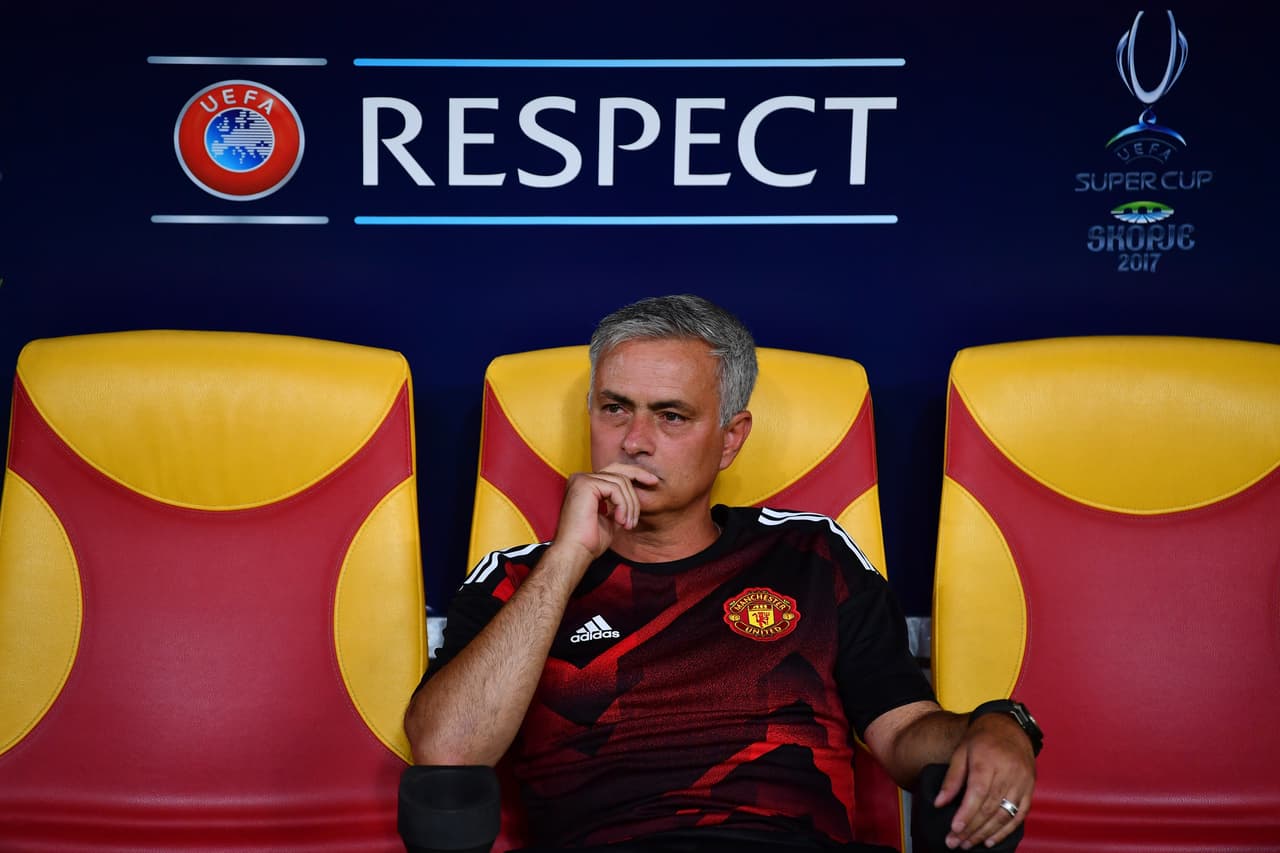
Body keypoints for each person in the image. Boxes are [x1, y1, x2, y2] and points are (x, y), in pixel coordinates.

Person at [404, 295, 1038, 852]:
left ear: (731, 439)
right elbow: (447, 752)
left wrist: (996, 725)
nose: (634, 441)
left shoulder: (810, 555)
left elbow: (903, 732)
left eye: (671, 416)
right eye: (615, 408)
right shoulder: (519, 580)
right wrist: (568, 559)